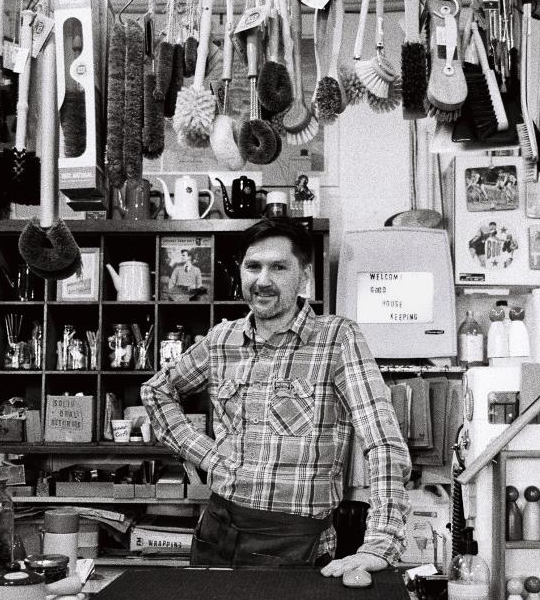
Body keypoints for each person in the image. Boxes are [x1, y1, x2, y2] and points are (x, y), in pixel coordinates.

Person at [141, 218, 411, 578]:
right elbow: (156, 390)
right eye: (253, 266)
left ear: (304, 276)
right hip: (217, 531)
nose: (262, 280)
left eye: (279, 267)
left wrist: (380, 542)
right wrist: (208, 456)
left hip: (295, 543)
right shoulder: (222, 339)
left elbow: (382, 441)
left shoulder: (336, 339)